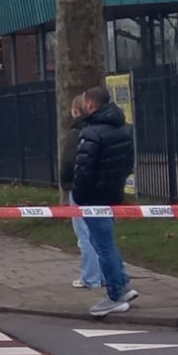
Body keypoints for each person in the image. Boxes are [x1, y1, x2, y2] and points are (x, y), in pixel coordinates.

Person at [62, 85, 139, 318]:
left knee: (101, 245)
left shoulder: (91, 132)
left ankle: (115, 294)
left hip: (93, 197)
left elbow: (83, 169)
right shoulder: (124, 129)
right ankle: (122, 283)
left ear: (91, 105)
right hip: (112, 193)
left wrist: (80, 194)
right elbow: (127, 163)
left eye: (85, 103)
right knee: (107, 242)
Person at [61, 108, 103, 291]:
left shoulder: (76, 132)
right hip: (101, 188)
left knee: (84, 233)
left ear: (75, 110)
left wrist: (66, 182)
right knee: (100, 234)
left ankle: (90, 277)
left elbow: (69, 162)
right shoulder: (102, 128)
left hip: (80, 188)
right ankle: (104, 275)